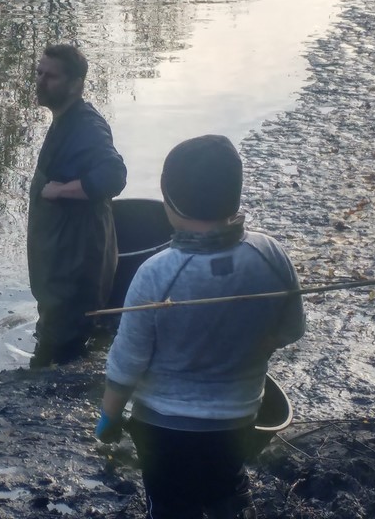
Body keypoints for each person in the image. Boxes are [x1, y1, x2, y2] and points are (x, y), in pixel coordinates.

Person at [95, 134, 306, 518]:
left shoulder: (157, 273)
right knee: (226, 487)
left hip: (163, 431)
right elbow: (292, 330)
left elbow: (126, 365)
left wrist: (109, 419)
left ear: (171, 203)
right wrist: (248, 345)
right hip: (239, 421)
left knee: (170, 504)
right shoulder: (270, 254)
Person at [27, 43, 128, 368]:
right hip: (58, 261)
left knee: (60, 349)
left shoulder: (86, 126)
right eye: (39, 73)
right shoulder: (64, 120)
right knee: (55, 337)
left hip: (75, 264)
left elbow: (114, 175)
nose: (41, 81)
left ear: (76, 84)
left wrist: (60, 190)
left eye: (51, 76)